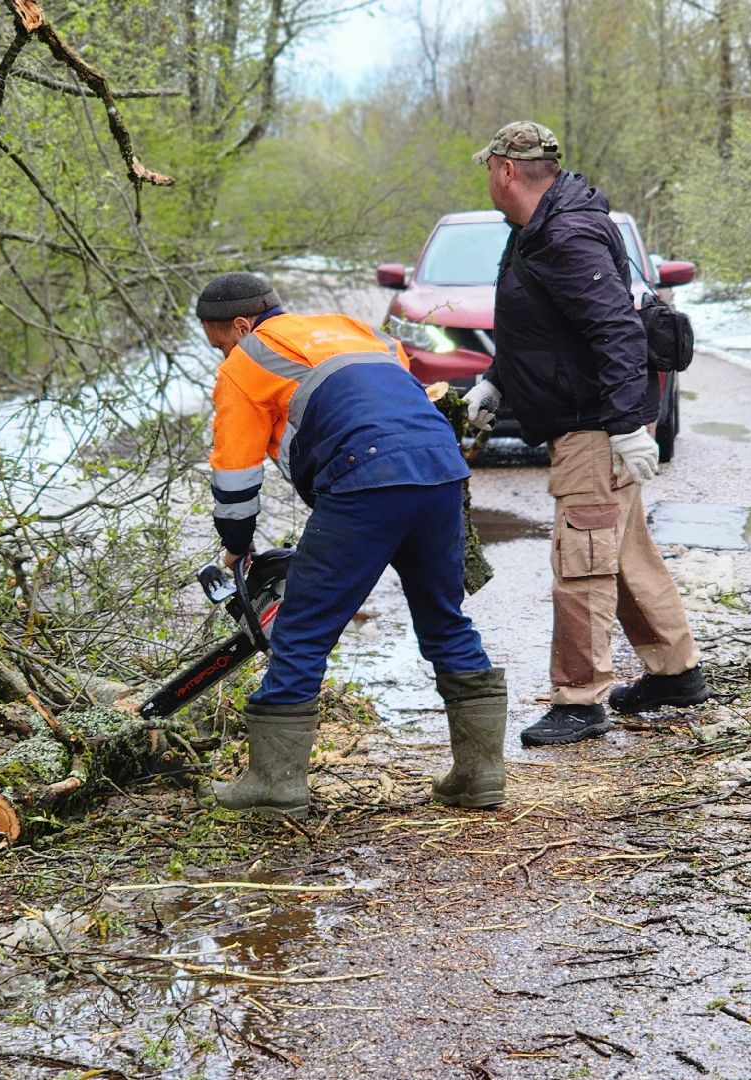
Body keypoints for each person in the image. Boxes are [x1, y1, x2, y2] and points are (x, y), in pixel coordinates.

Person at [198, 272, 506, 819]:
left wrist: (236, 545)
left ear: (242, 327)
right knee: (444, 618)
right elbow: (383, 408)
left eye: (220, 342)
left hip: (364, 478)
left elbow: (235, 472)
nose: (223, 355)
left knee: (302, 627)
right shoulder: (356, 330)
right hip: (440, 469)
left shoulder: (248, 360)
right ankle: (480, 775)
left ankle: (274, 784)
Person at [466, 121, 710, 748]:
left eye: (488, 168)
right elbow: (543, 329)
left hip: (594, 425)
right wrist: (496, 381)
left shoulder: (564, 234)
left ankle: (579, 700)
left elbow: (616, 333)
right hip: (588, 418)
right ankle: (674, 672)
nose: (488, 178)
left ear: (505, 170)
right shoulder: (534, 230)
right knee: (624, 552)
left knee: (582, 563)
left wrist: (628, 427)